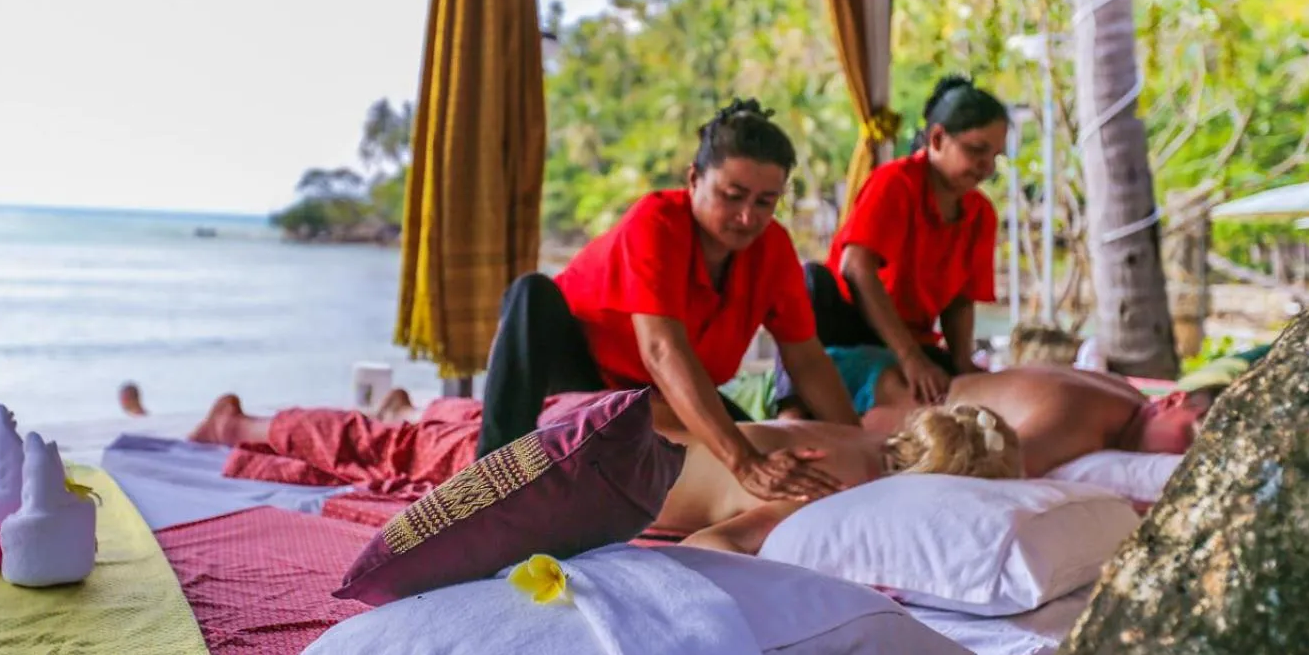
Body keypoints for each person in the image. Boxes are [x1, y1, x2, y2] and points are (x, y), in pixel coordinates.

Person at [478, 99, 858, 503]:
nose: (747, 217)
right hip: (585, 368)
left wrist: (863, 440)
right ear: (694, 179)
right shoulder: (656, 223)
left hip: (658, 391)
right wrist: (744, 463)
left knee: (770, 457)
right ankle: (486, 483)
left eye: (764, 202)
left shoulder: (773, 248)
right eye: (732, 196)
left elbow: (807, 360)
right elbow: (662, 349)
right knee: (530, 293)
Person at [170, 388, 1021, 558]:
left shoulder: (853, 437)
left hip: (599, 415)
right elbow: (719, 550)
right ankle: (238, 423)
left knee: (426, 434)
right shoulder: (835, 495)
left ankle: (411, 402)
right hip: (576, 455)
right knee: (398, 454)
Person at [798, 75, 1008, 409]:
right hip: (848, 325)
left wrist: (961, 363)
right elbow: (856, 268)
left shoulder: (981, 214)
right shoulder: (895, 182)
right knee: (807, 281)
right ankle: (791, 407)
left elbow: (960, 301)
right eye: (977, 150)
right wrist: (910, 358)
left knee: (970, 394)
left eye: (995, 155)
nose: (987, 166)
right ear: (937, 139)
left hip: (914, 338)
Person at [782, 359, 1226, 478]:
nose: (1185, 455)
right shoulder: (1081, 421)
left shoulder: (1124, 398)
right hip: (855, 390)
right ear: (1172, 400)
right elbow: (989, 469)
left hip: (880, 375)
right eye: (1192, 435)